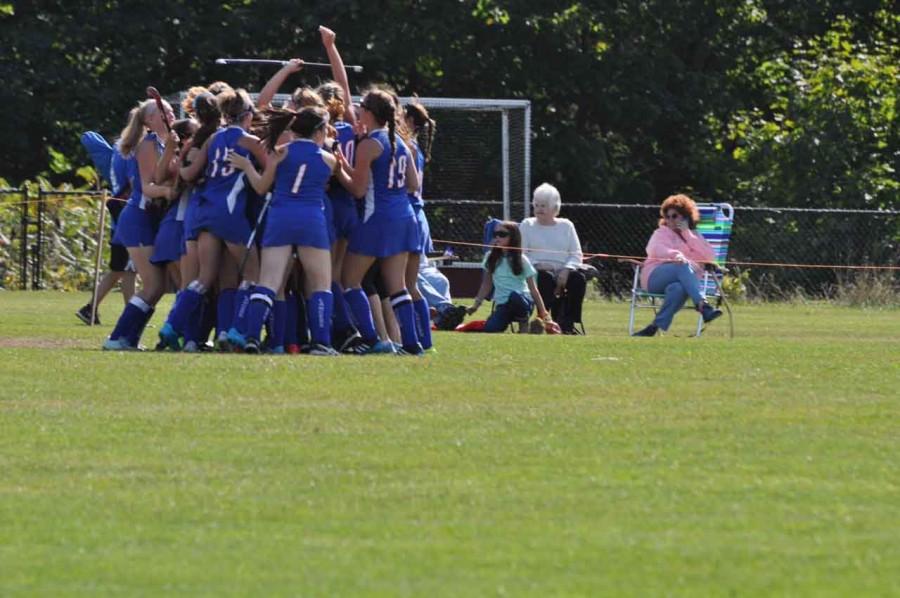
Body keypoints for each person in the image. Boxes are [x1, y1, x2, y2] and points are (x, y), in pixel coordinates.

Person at [227, 106, 340, 355]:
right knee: (321, 284)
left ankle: (253, 337)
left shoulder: (279, 153)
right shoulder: (329, 160)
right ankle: (321, 343)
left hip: (280, 218)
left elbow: (261, 187)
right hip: (311, 220)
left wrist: (247, 166)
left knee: (268, 281)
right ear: (319, 131)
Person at [335, 88, 423, 355]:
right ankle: (412, 344)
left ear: (370, 113)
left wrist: (338, 168)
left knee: (349, 280)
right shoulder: (401, 143)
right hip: (403, 217)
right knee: (398, 287)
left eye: (361, 107)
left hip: (377, 219)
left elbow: (358, 190)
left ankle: (375, 340)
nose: (358, 110)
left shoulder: (369, 144)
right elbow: (413, 184)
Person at [103, 98, 175, 350]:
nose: (169, 112)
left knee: (159, 287)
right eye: (162, 110)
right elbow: (146, 187)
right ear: (148, 121)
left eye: (169, 108)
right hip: (138, 219)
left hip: (150, 220)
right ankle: (117, 337)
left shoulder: (169, 143)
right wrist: (168, 191)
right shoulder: (148, 144)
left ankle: (129, 338)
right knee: (154, 285)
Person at [632, 194, 722, 336]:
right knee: (682, 265)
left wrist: (687, 233)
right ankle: (703, 306)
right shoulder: (661, 233)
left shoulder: (694, 236)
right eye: (667, 217)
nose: (670, 220)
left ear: (685, 217)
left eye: (674, 216)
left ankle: (653, 327)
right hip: (654, 276)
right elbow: (655, 249)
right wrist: (675, 255)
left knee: (678, 288)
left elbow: (709, 256)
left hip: (683, 280)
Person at [519, 183, 586, 334]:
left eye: (543, 205)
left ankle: (567, 325)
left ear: (555, 208)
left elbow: (576, 253)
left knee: (578, 280)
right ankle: (544, 321)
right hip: (536, 271)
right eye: (536, 205)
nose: (539, 209)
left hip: (563, 270)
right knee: (545, 279)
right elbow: (521, 253)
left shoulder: (566, 226)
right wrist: (536, 265)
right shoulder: (527, 225)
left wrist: (567, 270)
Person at [467, 221, 551, 333]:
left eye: (502, 234)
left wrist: (543, 312)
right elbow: (486, 284)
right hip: (503, 305)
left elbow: (533, 289)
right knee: (490, 329)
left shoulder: (522, 259)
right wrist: (476, 305)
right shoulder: (490, 257)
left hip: (522, 302)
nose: (497, 237)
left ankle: (524, 323)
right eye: (495, 234)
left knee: (514, 296)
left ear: (513, 237)